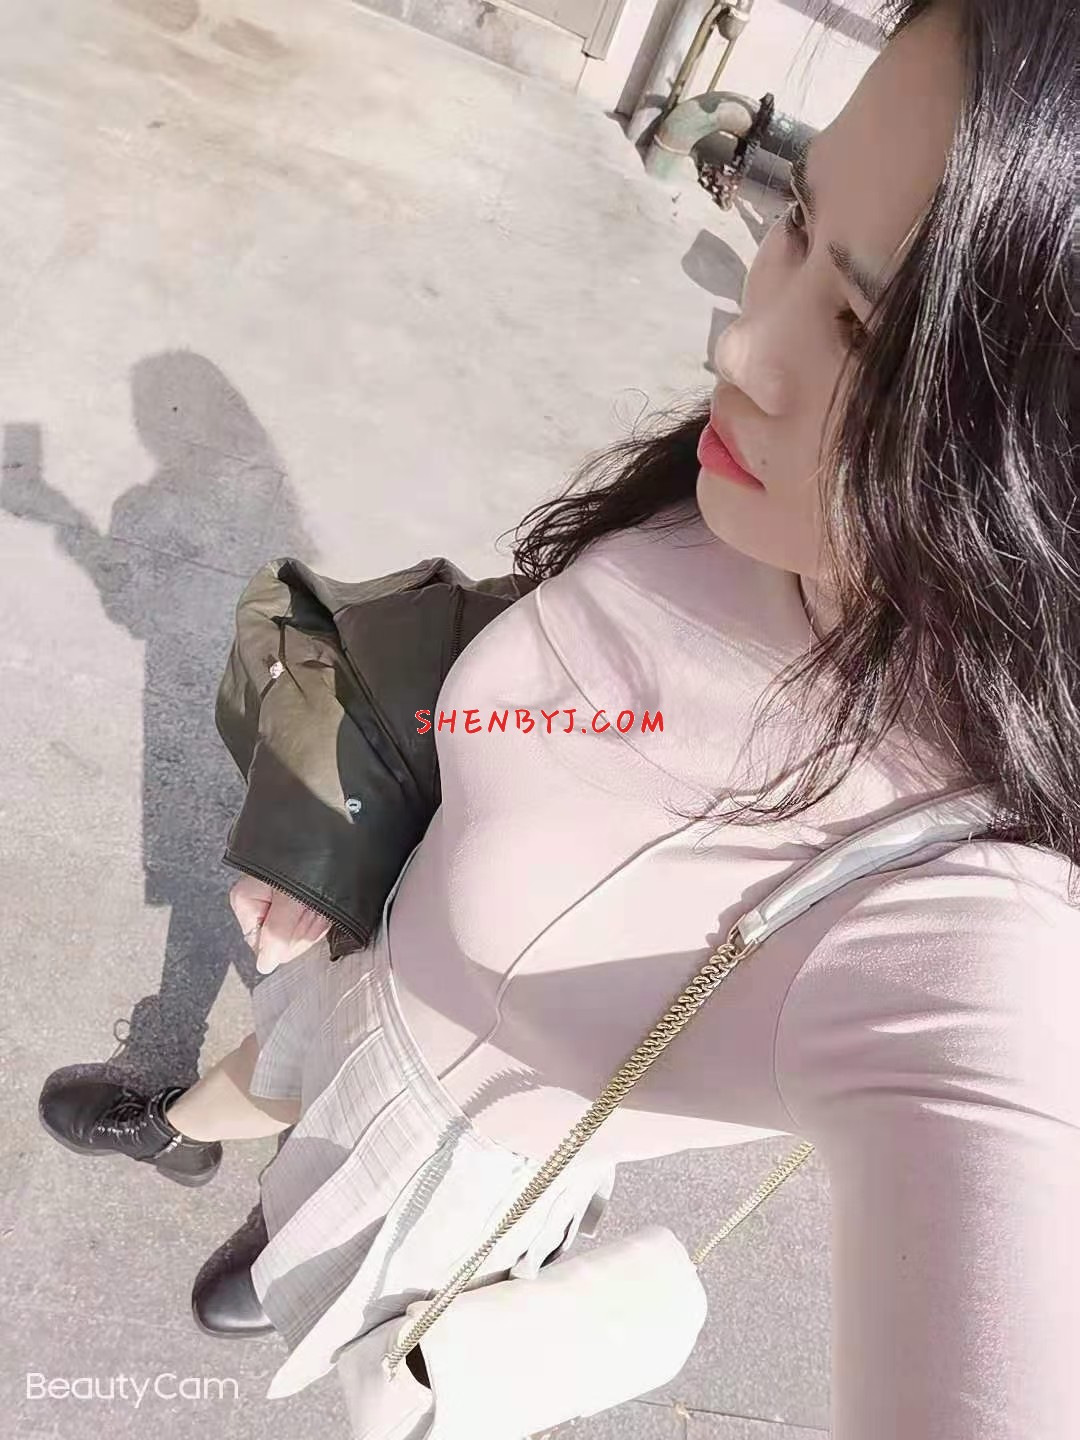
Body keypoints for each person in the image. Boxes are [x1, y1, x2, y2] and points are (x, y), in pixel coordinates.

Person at [38, 1, 1079, 1435]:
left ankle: (282, 1247)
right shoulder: (750, 505)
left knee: (320, 1232)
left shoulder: (973, 915)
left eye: (865, 330)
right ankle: (181, 1134)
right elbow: (535, 695)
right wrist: (339, 811)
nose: (744, 344)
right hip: (373, 939)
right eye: (791, 219)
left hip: (452, 1141)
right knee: (279, 1059)